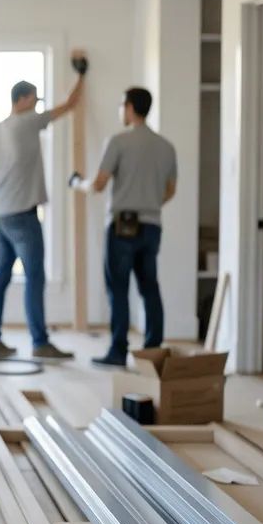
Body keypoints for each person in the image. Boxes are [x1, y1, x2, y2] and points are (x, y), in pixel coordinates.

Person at [0, 55, 88, 360]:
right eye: (34, 99)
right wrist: (82, 74)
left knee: (0, 275)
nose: (37, 104)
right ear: (25, 99)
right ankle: (40, 343)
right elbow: (68, 105)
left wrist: (7, 191)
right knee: (34, 277)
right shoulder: (29, 121)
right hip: (22, 215)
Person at [70, 86, 177, 366]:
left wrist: (76, 183)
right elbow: (170, 190)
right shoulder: (166, 147)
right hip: (152, 225)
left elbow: (98, 184)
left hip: (122, 226)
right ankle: (153, 352)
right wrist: (149, 203)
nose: (121, 110)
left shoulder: (117, 142)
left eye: (121, 105)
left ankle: (118, 352)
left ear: (130, 107)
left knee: (118, 289)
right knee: (149, 287)